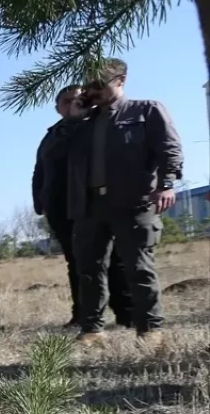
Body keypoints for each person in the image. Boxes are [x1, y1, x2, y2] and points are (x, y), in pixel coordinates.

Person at [58, 58, 183, 346]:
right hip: (90, 207)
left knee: (138, 267)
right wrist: (74, 116)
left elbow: (170, 148)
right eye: (90, 86)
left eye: (101, 84)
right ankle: (92, 330)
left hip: (133, 202)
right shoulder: (83, 122)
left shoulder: (147, 111)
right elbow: (58, 152)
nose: (95, 90)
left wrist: (167, 185)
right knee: (88, 270)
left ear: (121, 81)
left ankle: (150, 330)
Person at [32, 84, 132, 330]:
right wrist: (39, 200)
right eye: (65, 102)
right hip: (61, 206)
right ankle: (82, 315)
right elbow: (41, 168)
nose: (72, 105)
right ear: (57, 108)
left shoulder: (99, 125)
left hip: (95, 203)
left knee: (114, 260)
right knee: (76, 263)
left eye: (78, 99)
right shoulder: (53, 134)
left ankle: (127, 315)